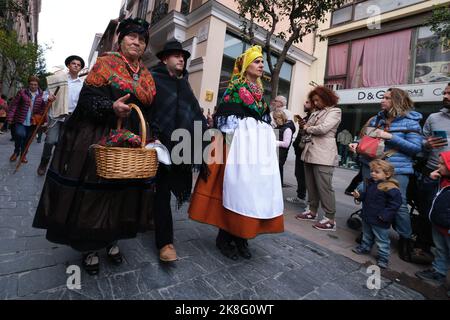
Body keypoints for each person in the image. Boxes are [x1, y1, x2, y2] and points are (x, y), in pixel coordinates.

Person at [32, 18, 157, 275]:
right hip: (99, 135)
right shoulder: (105, 64)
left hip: (130, 141)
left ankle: (111, 240)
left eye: (142, 39)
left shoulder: (146, 75)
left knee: (122, 192)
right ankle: (89, 247)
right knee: (95, 192)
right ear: (120, 39)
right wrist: (111, 107)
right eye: (132, 37)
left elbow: (148, 108)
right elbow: (87, 100)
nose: (137, 42)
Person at [188, 45, 284, 260]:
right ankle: (225, 237)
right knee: (234, 191)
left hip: (256, 154)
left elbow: (265, 122)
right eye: (257, 61)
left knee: (250, 194)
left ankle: (242, 237)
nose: (261, 65)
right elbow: (224, 122)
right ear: (245, 66)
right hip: (236, 151)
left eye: (261, 62)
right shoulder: (233, 90)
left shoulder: (259, 95)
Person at [147, 39, 207, 262]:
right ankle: (165, 243)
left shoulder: (185, 84)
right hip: (157, 144)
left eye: (183, 56)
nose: (181, 58)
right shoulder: (153, 79)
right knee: (161, 191)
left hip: (180, 147)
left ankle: (151, 218)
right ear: (164, 59)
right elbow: (146, 109)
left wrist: (206, 137)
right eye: (175, 55)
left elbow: (195, 114)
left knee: (163, 191)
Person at [349, 88, 423, 262]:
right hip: (372, 166)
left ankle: (406, 240)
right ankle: (368, 235)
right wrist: (357, 145)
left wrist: (389, 136)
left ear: (398, 101)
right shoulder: (376, 119)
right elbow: (368, 140)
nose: (382, 100)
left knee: (400, 206)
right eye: (382, 97)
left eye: (387, 98)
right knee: (369, 198)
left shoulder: (411, 122)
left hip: (397, 169)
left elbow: (416, 149)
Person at [295, 86, 341, 231]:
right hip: (309, 152)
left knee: (324, 187)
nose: (315, 103)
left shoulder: (335, 111)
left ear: (326, 97)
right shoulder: (316, 112)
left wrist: (308, 128)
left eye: (317, 100)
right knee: (311, 185)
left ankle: (330, 218)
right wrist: (305, 127)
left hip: (324, 154)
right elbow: (310, 128)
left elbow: (323, 129)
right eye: (313, 100)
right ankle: (312, 210)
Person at [414, 83, 450, 253]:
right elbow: (420, 143)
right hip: (431, 171)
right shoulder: (434, 118)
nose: (446, 96)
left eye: (449, 93)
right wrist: (426, 144)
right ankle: (423, 248)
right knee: (426, 212)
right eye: (445, 92)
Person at [36, 55, 85, 176]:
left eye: (79, 65)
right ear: (68, 66)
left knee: (64, 144)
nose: (76, 66)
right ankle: (44, 163)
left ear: (80, 69)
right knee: (50, 141)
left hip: (71, 117)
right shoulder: (58, 79)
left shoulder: (82, 84)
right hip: (56, 115)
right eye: (73, 63)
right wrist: (49, 97)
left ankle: (57, 167)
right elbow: (44, 96)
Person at [352, 159, 402, 269]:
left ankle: (383, 257)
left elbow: (395, 204)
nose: (373, 174)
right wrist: (359, 196)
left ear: (387, 174)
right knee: (366, 234)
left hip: (380, 219)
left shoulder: (391, 188)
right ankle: (365, 247)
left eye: (377, 172)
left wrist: (385, 215)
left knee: (382, 240)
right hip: (368, 216)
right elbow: (366, 197)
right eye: (372, 171)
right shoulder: (372, 183)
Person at [415, 151, 450, 284]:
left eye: (442, 164)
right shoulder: (440, 180)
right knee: (440, 250)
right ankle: (438, 272)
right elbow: (424, 192)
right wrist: (430, 179)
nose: (438, 166)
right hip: (438, 223)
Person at [7, 75, 47, 163]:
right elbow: (14, 105)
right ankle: (16, 151)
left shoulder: (42, 95)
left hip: (33, 122)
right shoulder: (22, 92)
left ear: (38, 85)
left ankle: (23, 155)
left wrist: (42, 119)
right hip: (20, 120)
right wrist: (10, 117)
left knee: (27, 140)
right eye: (31, 84)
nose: (33, 86)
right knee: (20, 134)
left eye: (35, 84)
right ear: (28, 84)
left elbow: (43, 109)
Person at [286, 100, 313, 204]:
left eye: (307, 102)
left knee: (306, 177)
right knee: (299, 174)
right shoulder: (306, 117)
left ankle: (310, 203)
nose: (304, 104)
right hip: (299, 150)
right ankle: (301, 197)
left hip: (307, 151)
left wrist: (304, 128)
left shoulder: (312, 118)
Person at [273, 109, 295, 187]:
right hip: (276, 153)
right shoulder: (280, 127)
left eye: (275, 119)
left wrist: (274, 142)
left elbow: (286, 144)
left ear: (279, 118)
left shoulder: (287, 129)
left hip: (281, 154)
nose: (274, 121)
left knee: (278, 173)